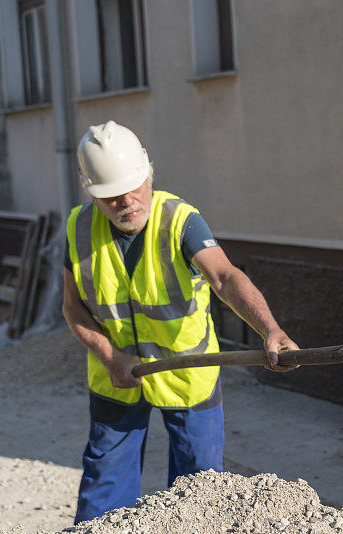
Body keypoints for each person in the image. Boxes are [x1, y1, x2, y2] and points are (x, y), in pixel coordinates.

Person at [62, 120, 299, 523]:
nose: (127, 202)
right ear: (92, 194)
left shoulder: (181, 221)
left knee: (200, 500)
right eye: (112, 197)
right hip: (116, 377)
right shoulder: (78, 228)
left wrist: (269, 328)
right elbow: (73, 308)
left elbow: (225, 278)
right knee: (102, 495)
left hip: (190, 376)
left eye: (134, 188)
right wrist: (108, 355)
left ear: (148, 174)